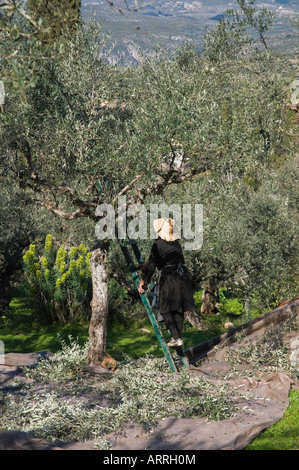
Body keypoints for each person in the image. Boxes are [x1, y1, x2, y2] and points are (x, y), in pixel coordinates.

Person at [138, 217, 198, 348]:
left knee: (164, 308)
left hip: (169, 276)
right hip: (182, 276)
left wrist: (144, 281)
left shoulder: (157, 244)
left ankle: (176, 338)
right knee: (178, 309)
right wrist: (149, 264)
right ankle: (178, 338)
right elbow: (171, 259)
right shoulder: (176, 243)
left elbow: (153, 266)